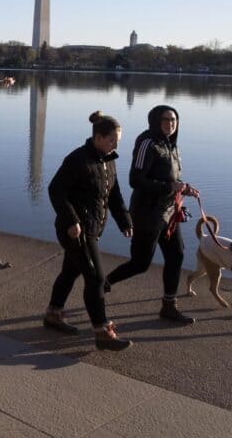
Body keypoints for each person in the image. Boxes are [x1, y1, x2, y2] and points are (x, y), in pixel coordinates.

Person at [44, 111, 134, 351]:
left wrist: (124, 220)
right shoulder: (78, 159)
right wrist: (72, 220)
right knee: (95, 278)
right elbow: (55, 190)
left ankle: (53, 314)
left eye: (117, 141)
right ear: (98, 137)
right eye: (112, 140)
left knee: (71, 271)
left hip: (93, 227)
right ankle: (102, 331)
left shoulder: (107, 160)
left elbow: (113, 194)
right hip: (75, 230)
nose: (115, 145)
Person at [104, 105, 199, 324]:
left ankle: (169, 306)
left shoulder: (171, 144)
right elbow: (135, 180)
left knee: (176, 255)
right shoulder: (148, 143)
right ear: (155, 120)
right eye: (166, 119)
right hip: (147, 213)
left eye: (174, 120)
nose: (171, 123)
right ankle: (105, 281)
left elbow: (170, 179)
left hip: (169, 213)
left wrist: (184, 188)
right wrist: (170, 187)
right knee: (140, 263)